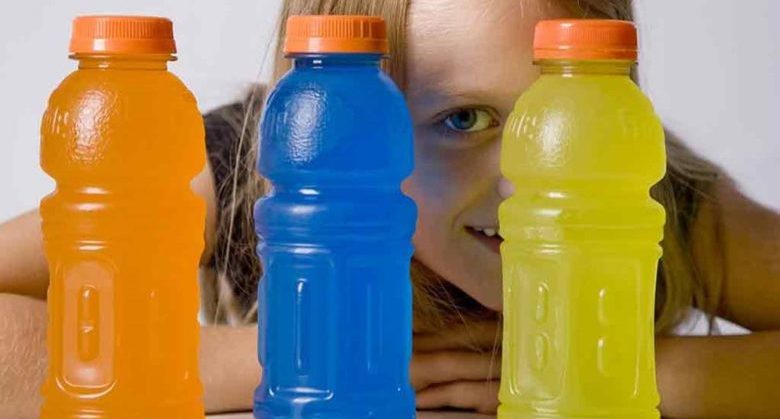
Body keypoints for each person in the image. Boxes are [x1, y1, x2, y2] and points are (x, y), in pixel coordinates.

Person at [1, 0, 779, 417]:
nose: (530, 178)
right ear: (351, 125)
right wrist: (292, 360)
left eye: (555, 115)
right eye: (464, 120)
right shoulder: (245, 170)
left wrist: (631, 373)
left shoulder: (653, 197)